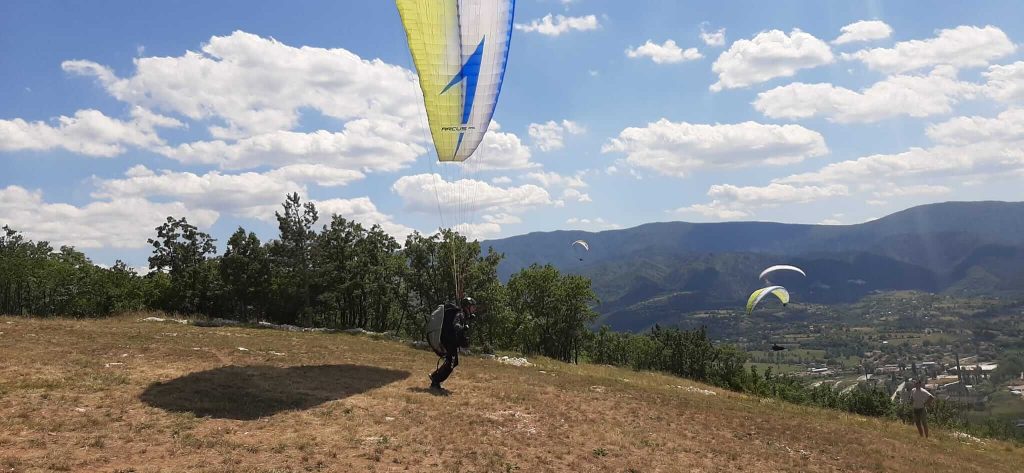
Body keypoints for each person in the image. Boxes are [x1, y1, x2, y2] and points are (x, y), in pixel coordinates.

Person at [429, 296, 477, 390]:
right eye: (472, 307)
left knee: (452, 361)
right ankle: (435, 381)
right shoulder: (460, 314)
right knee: (452, 362)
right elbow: (456, 325)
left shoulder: (462, 314)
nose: (473, 309)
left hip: (449, 341)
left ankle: (435, 376)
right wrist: (463, 328)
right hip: (449, 341)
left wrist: (468, 318)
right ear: (467, 307)